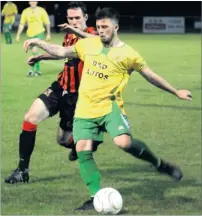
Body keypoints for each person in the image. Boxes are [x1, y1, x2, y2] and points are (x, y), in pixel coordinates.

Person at [23, 7, 192, 211]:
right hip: (84, 109)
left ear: (116, 27)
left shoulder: (128, 54)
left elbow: (150, 75)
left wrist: (176, 91)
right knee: (82, 149)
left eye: (105, 27)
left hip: (109, 106)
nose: (101, 30)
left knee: (124, 143)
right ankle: (95, 197)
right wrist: (36, 43)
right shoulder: (88, 44)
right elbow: (60, 52)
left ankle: (159, 164)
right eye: (99, 26)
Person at [5, 1, 98, 184]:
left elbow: (67, 51)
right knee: (30, 117)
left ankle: (83, 145)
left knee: (62, 140)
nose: (73, 21)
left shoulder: (92, 36)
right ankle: (22, 171)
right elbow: (61, 53)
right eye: (70, 18)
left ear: (86, 17)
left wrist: (38, 43)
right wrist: (40, 56)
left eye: (77, 18)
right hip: (60, 87)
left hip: (76, 97)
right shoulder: (70, 35)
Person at [16, 1, 51, 76]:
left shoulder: (41, 10)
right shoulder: (25, 11)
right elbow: (22, 24)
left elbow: (47, 23)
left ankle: (34, 70)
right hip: (30, 35)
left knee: (35, 51)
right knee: (34, 53)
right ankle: (36, 70)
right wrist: (18, 35)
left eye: (34, 1)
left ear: (37, 2)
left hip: (39, 33)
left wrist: (48, 34)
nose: (33, 2)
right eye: (31, 1)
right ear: (29, 2)